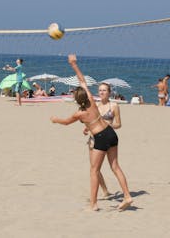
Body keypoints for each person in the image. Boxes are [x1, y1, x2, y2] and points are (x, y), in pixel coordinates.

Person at [50, 54, 133, 211]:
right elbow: (82, 80)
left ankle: (93, 204)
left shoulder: (79, 113)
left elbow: (66, 122)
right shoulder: (92, 100)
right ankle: (127, 195)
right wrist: (74, 64)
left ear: (76, 99)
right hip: (110, 132)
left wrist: (55, 119)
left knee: (94, 170)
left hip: (100, 138)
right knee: (115, 166)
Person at [83, 82, 123, 198]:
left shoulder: (114, 106)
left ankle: (125, 193)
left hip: (108, 138)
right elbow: (92, 121)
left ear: (109, 92)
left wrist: (108, 125)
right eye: (100, 90)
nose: (102, 92)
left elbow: (119, 124)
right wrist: (86, 128)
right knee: (94, 168)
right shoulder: (95, 106)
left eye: (104, 90)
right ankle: (105, 191)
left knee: (114, 166)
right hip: (93, 138)